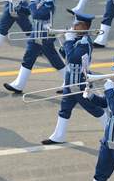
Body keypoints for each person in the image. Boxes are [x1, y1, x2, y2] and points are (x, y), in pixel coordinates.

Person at [43, 12, 106, 145]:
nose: (73, 27)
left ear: (84, 26)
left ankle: (110, 130)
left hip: (79, 83)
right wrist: (62, 40)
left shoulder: (84, 43)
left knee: (93, 108)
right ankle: (58, 136)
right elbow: (65, 55)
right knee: (65, 108)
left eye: (76, 25)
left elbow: (73, 58)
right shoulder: (77, 39)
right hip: (70, 80)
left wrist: (69, 40)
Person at [3, 0, 66, 93]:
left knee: (53, 59)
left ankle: (70, 81)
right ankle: (19, 84)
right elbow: (28, 12)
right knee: (29, 58)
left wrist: (32, 2)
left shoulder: (49, 1)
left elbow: (37, 15)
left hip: (44, 34)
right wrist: (17, 5)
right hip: (36, 34)